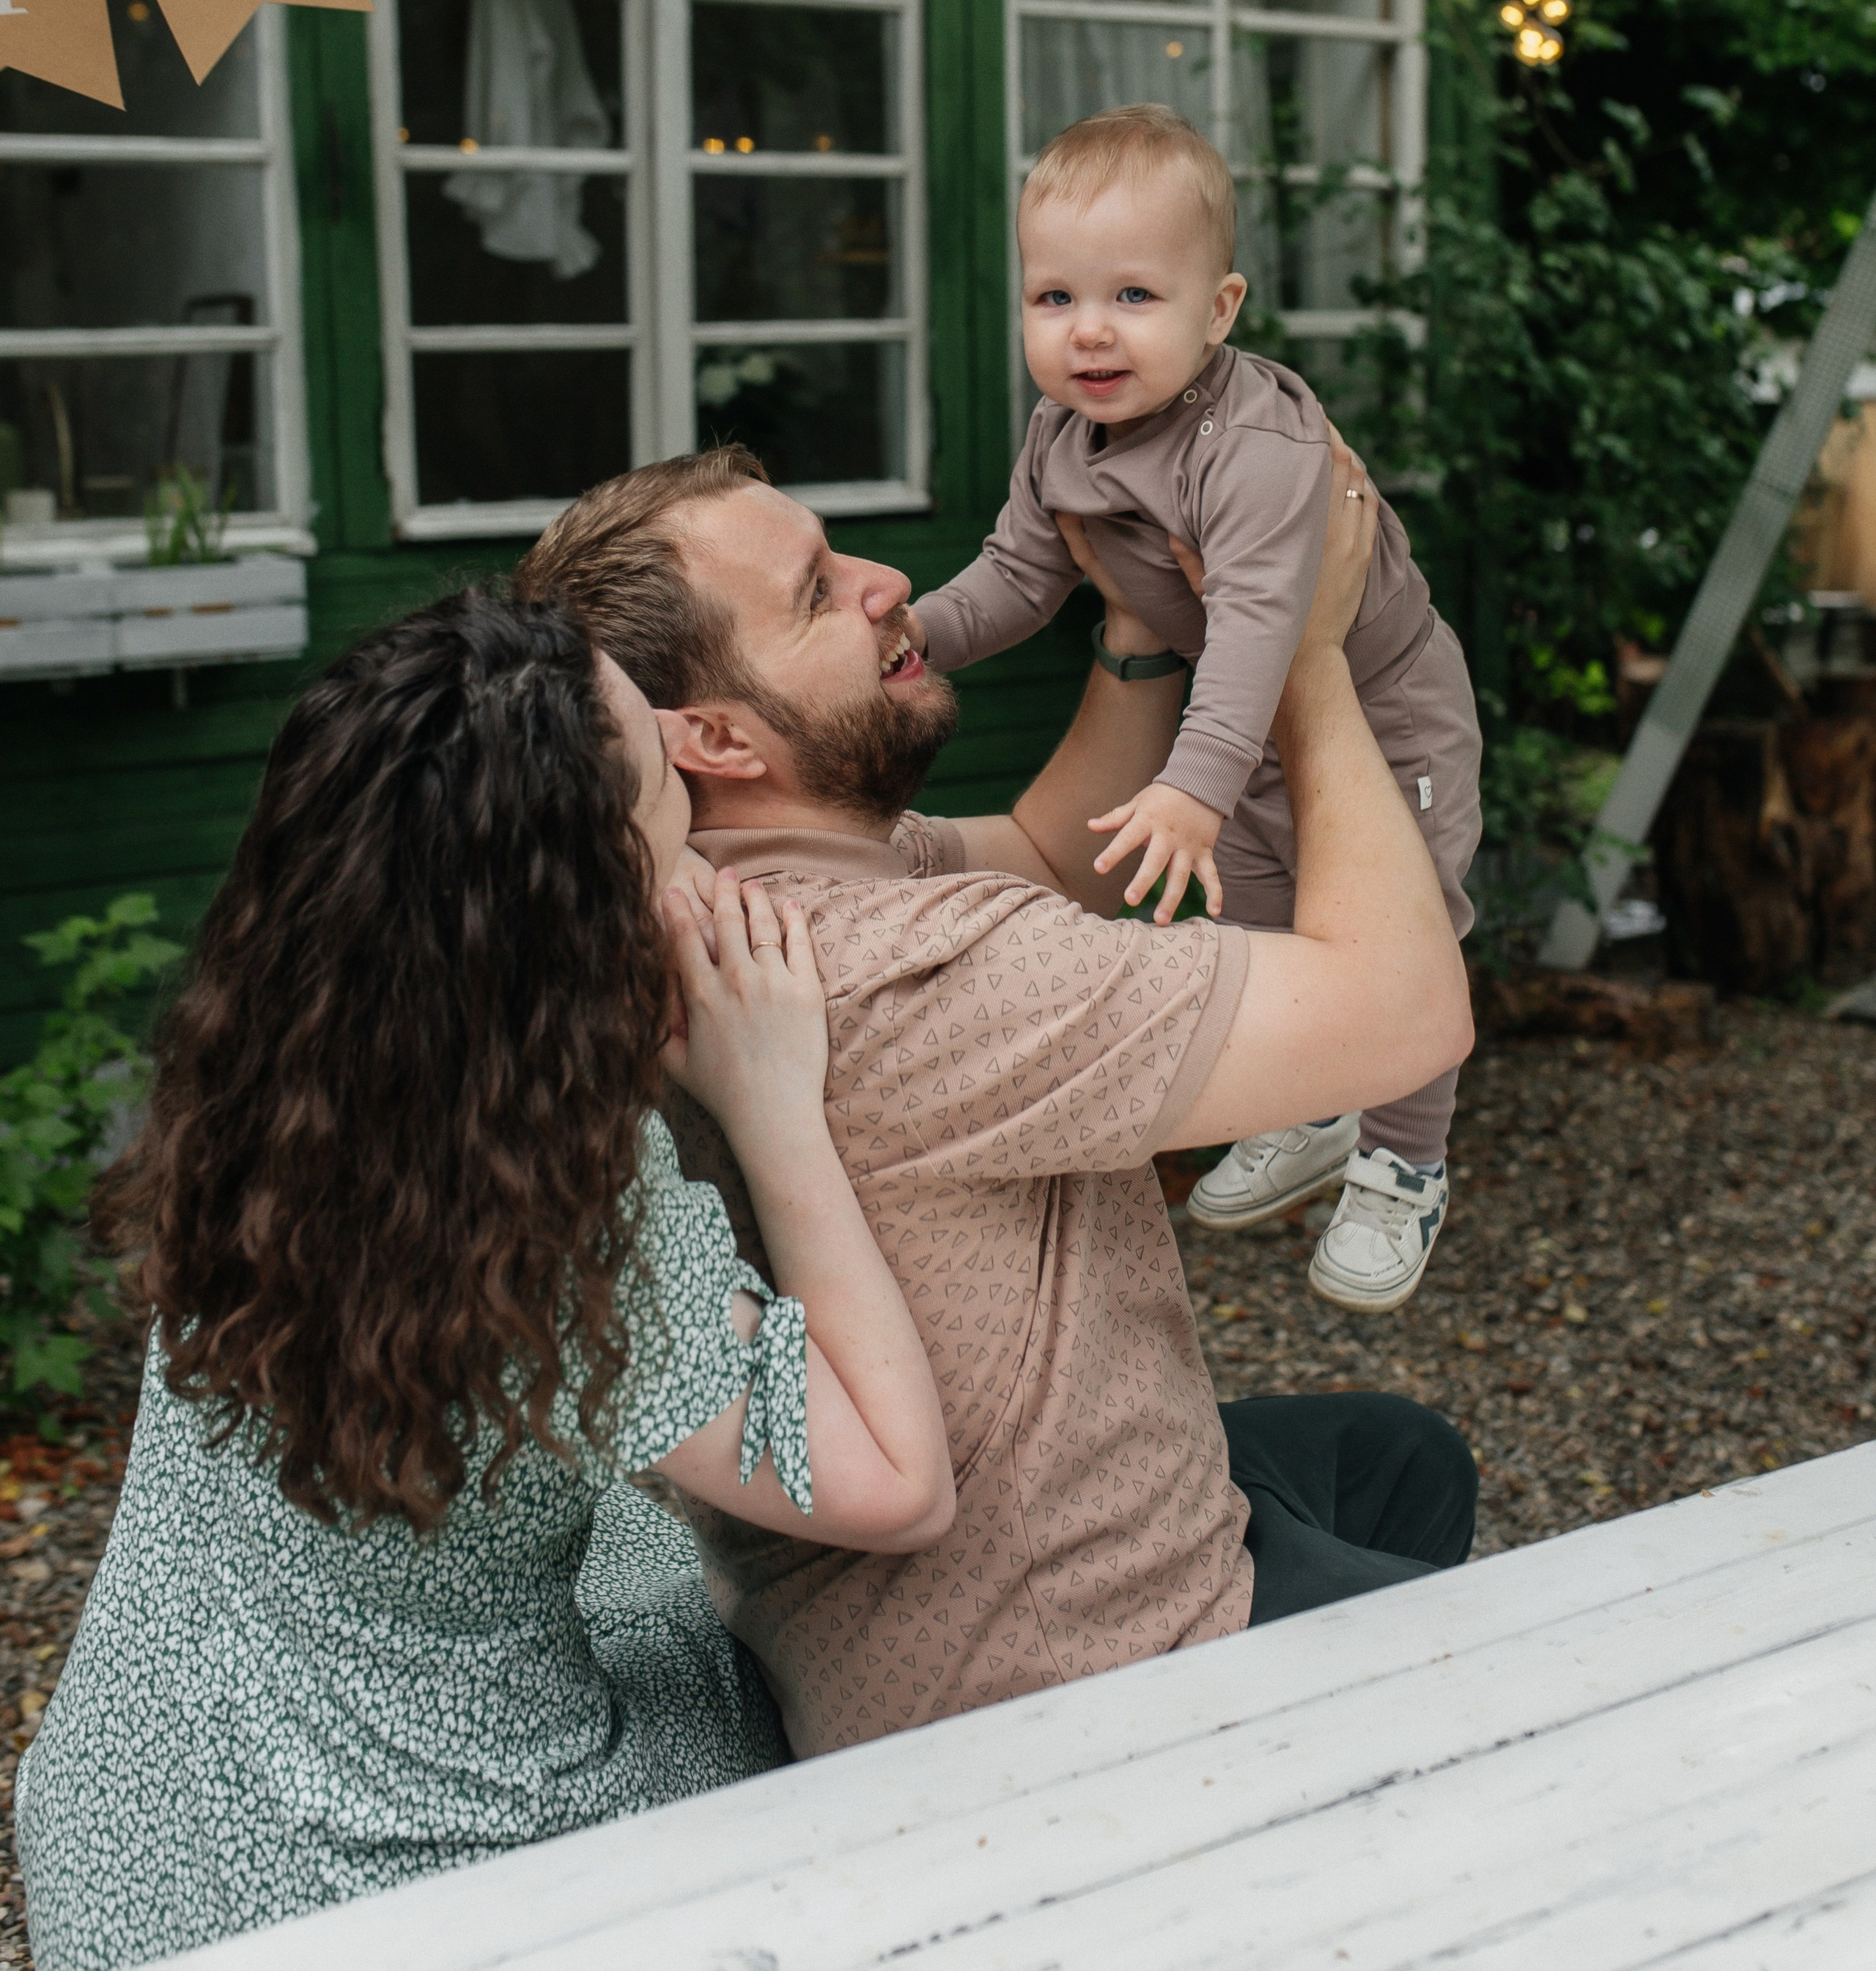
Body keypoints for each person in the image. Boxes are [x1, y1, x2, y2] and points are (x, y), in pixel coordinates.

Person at [17, 591, 952, 1971]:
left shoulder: (271, 1054)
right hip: (378, 1899)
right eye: (664, 795)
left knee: (639, 1531)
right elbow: (896, 1482)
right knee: (751, 1662)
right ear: (585, 897)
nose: (693, 790)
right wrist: (774, 1109)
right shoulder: (549, 1205)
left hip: (134, 1823)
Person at [514, 436, 1476, 1761]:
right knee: (1553, 1696)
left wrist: (1138, 627)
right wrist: (1298, 653)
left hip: (901, 1620)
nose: (886, 581)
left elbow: (1040, 856)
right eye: (815, 593)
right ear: (715, 736)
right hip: (1081, 1673)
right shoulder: (905, 977)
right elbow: (1407, 1010)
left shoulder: (730, 892)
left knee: (1401, 1459)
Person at [904, 104, 1484, 1314]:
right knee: (1272, 913)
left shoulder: (1257, 443)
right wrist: (913, 636)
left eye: (1133, 297)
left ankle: (1403, 1163)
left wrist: (1189, 786)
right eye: (1055, 300)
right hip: (1248, 726)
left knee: (1404, 915)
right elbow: (1017, 577)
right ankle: (1312, 1106)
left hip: (1384, 714)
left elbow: (1274, 624)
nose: (1090, 332)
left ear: (1218, 311)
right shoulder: (1062, 438)